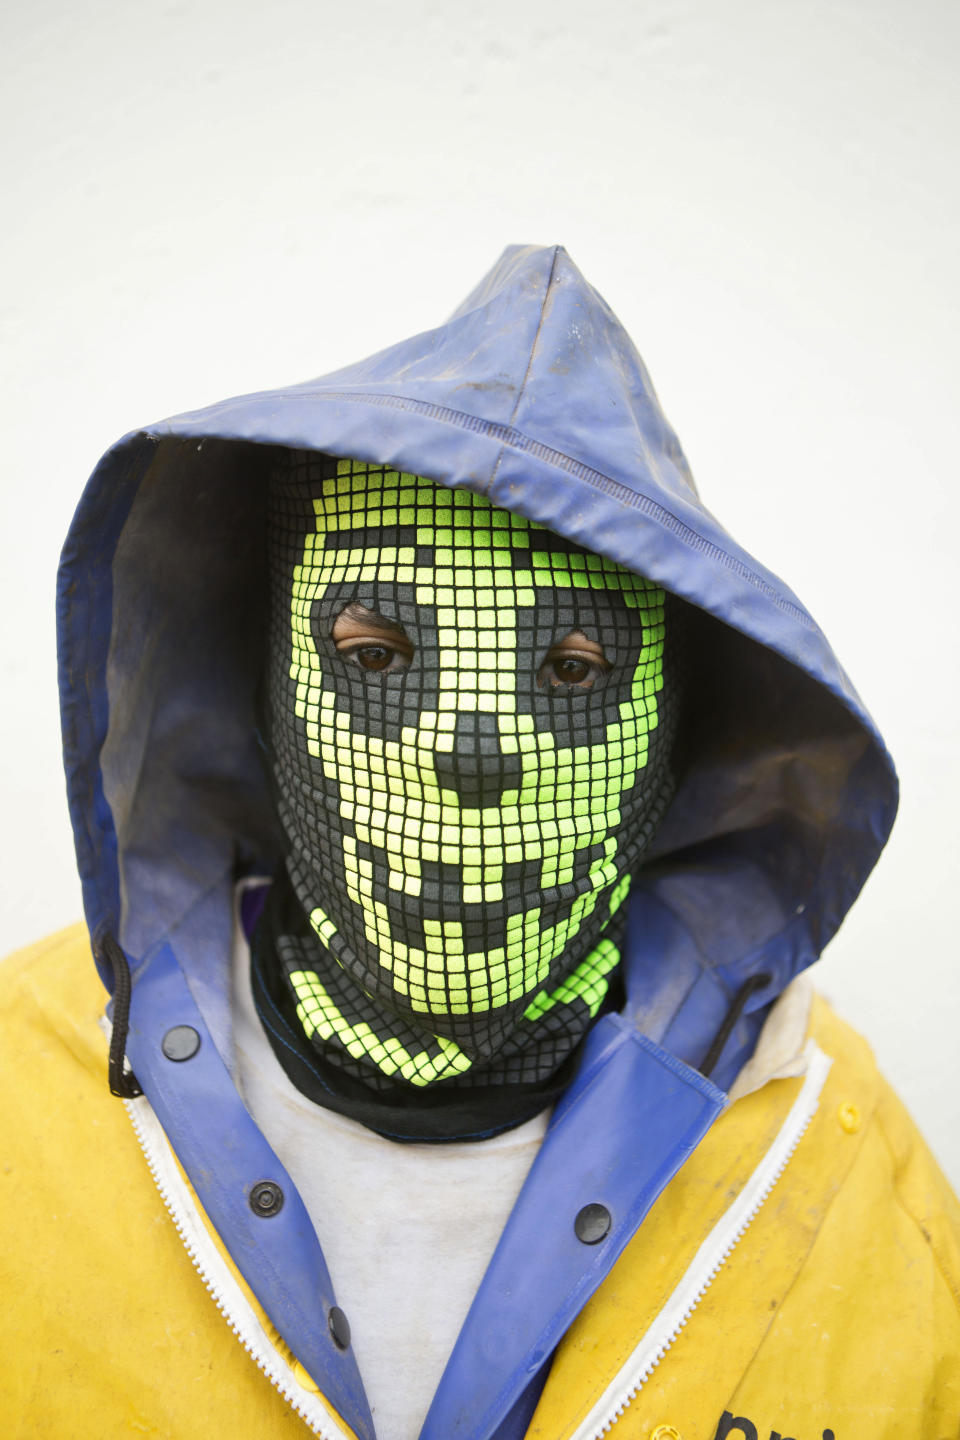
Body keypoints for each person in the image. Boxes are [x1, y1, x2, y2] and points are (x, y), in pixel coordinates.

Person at [3, 245, 958, 1440]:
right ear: (265, 691)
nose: (476, 753)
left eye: (571, 670)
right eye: (376, 655)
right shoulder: (16, 1092)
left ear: (677, 741)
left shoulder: (848, 1172)